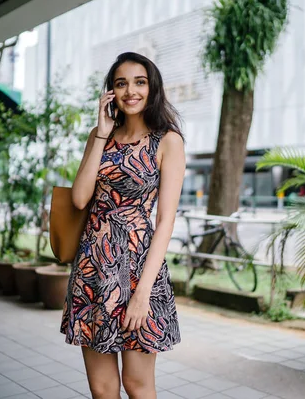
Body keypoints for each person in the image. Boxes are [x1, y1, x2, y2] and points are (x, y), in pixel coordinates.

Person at [61, 52, 186, 399]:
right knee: (102, 389)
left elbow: (165, 222)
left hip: (138, 271)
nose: (131, 91)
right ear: (111, 92)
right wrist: (100, 135)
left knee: (137, 384)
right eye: (121, 83)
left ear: (152, 88)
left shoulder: (167, 141)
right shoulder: (100, 136)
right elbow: (80, 199)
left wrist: (142, 294)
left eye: (139, 82)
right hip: (93, 269)